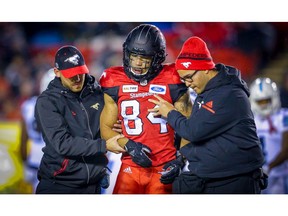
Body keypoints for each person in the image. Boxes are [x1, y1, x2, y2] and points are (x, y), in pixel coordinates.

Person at [148, 36, 266, 194]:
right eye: (183, 80)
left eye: (189, 77)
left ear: (205, 68)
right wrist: (180, 160)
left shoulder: (228, 93)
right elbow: (204, 138)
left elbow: (194, 131)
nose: (188, 83)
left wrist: (169, 112)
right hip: (213, 177)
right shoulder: (206, 92)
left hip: (235, 180)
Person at [99, 24, 192, 194]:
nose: (137, 63)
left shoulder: (173, 79)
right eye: (134, 56)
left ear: (157, 59)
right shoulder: (113, 80)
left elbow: (190, 127)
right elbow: (105, 128)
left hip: (165, 166)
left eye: (145, 58)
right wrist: (128, 144)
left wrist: (180, 159)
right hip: (130, 167)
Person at [34, 45, 125, 194]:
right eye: (71, 75)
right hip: (59, 184)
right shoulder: (47, 101)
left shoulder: (97, 94)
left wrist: (115, 127)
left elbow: (106, 127)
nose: (77, 79)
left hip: (93, 185)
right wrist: (103, 145)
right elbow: (62, 143)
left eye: (80, 73)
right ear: (57, 72)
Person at [249, 77, 288, 194]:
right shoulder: (250, 120)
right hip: (257, 176)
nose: (263, 105)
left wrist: (269, 167)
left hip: (279, 176)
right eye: (260, 101)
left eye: (266, 100)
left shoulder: (283, 116)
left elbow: (286, 149)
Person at [20, 68, 55, 193]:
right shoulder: (62, 107)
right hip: (53, 162)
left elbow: (23, 141)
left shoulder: (28, 106)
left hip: (33, 160)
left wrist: (24, 162)